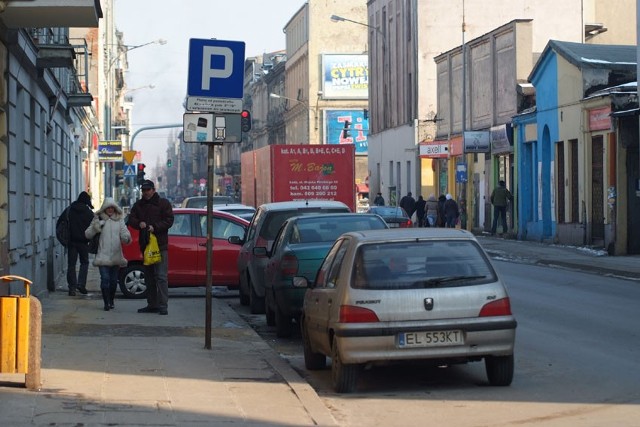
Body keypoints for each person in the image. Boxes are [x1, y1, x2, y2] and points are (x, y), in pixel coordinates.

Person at [128, 180, 174, 315]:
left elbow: (169, 220)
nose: (146, 192)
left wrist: (155, 227)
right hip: (146, 245)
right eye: (144, 190)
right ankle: (152, 304)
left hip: (160, 245)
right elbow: (131, 219)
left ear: (153, 190)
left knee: (161, 276)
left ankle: (163, 305)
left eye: (148, 190)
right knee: (149, 277)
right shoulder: (139, 205)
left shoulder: (163, 203)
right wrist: (139, 223)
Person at [85, 197, 131, 311]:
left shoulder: (119, 220)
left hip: (116, 255)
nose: (110, 210)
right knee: (105, 279)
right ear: (104, 209)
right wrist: (97, 226)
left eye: (112, 207)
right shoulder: (98, 219)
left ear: (115, 208)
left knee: (114, 281)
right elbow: (87, 234)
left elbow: (125, 233)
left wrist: (126, 237)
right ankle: (106, 303)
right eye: (108, 208)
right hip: (102, 256)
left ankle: (111, 300)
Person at [60, 191, 94, 296]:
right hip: (84, 242)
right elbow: (93, 227)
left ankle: (72, 288)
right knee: (84, 263)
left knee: (71, 265)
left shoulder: (69, 210)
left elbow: (60, 223)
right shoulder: (89, 213)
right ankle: (81, 284)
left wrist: (63, 239)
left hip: (71, 242)